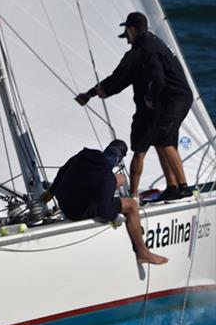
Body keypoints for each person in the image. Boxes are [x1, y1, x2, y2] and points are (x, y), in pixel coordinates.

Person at [75, 12, 193, 201]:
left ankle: (183, 187)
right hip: (174, 98)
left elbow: (124, 78)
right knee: (162, 140)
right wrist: (94, 93)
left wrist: (149, 97)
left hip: (172, 99)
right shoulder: (155, 44)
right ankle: (172, 187)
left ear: (131, 30)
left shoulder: (142, 50)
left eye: (127, 36)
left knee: (164, 140)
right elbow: (124, 78)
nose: (127, 41)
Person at [45, 139, 168, 265]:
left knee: (121, 179)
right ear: (118, 160)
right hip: (76, 211)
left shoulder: (85, 154)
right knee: (131, 205)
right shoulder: (106, 177)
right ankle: (143, 253)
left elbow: (63, 170)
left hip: (64, 202)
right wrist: (115, 217)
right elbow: (105, 211)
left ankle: (109, 197)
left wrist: (51, 192)